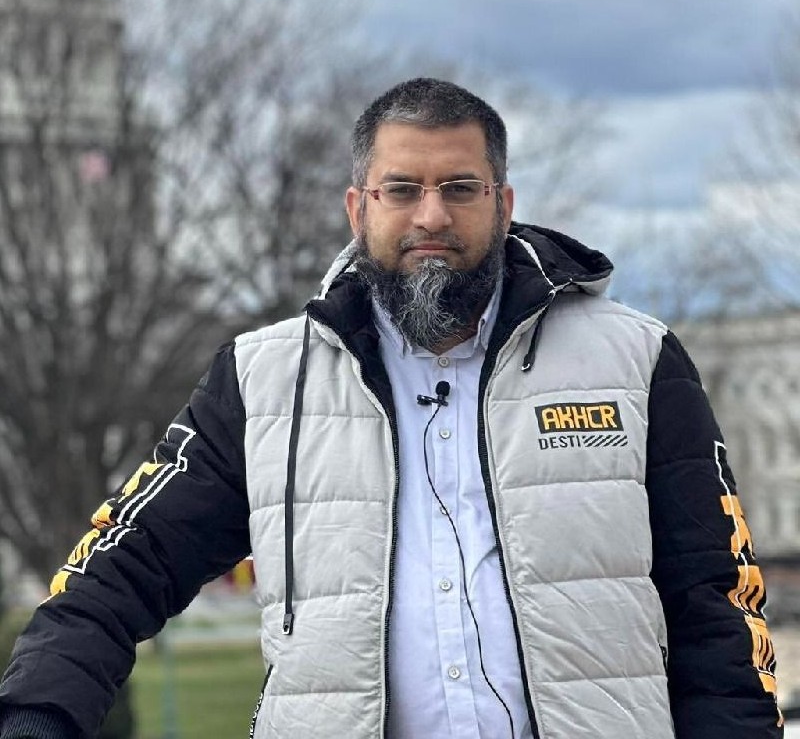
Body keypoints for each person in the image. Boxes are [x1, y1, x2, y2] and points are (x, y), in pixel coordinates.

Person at [0, 78, 783, 739]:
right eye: (401, 190)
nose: (431, 216)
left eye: (460, 189)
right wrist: (35, 718)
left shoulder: (635, 363)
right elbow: (115, 574)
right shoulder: (263, 382)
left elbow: (719, 607)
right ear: (357, 207)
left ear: (503, 202)